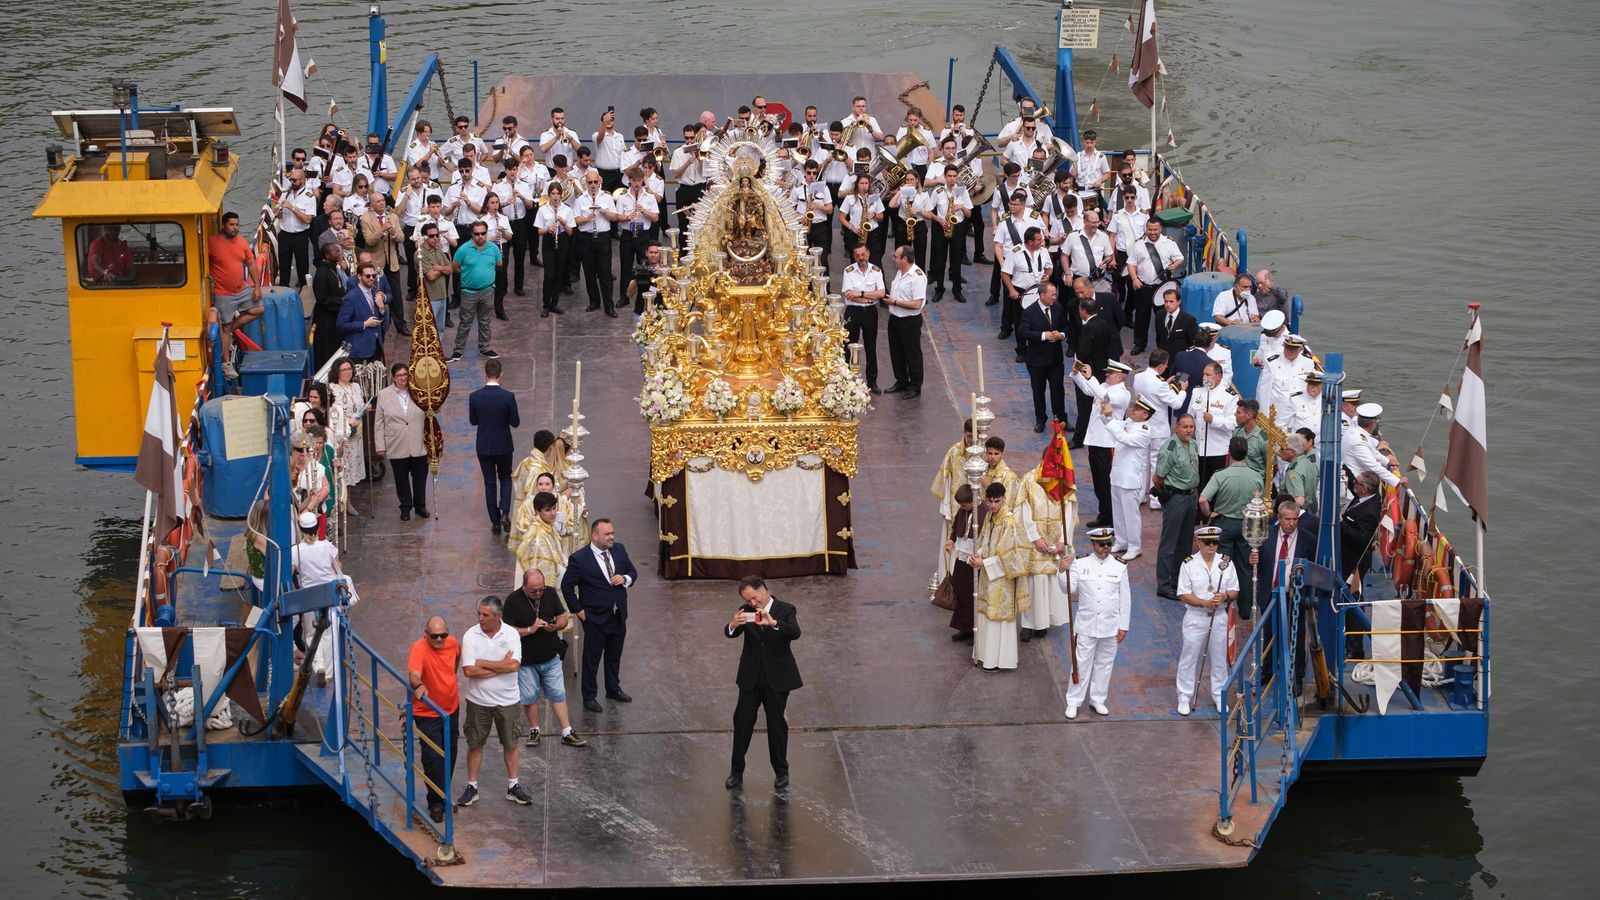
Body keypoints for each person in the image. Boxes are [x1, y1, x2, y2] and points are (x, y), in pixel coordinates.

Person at [723, 576, 803, 791]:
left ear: (764, 590)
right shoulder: (746, 610)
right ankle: (736, 773)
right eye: (748, 600)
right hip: (750, 677)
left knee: (777, 725)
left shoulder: (785, 609)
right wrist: (732, 624)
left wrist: (774, 623)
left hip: (776, 678)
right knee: (742, 723)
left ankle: (781, 773)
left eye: (754, 598)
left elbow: (795, 632)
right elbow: (731, 633)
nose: (752, 603)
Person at [456, 596, 532, 808]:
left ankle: (513, 786)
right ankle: (472, 786)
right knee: (475, 743)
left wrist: (484, 664)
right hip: (478, 702)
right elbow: (469, 671)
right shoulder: (471, 635)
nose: (480, 618)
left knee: (510, 743)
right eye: (479, 614)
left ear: (497, 616)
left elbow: (514, 667)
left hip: (508, 701)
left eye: (485, 615)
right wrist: (501, 665)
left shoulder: (511, 635)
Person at [503, 568, 587, 751]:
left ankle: (567, 731)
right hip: (526, 660)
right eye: (534, 591)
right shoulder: (513, 600)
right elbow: (507, 631)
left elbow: (563, 617)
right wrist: (529, 629)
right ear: (524, 586)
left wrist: (557, 625)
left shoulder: (549, 593)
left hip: (550, 655)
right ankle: (534, 730)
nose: (538, 593)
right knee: (530, 697)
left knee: (558, 693)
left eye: (541, 589)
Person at [560, 519, 638, 712]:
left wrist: (625, 578)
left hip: (618, 615)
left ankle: (613, 688)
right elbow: (567, 586)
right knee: (591, 659)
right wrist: (579, 611)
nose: (612, 537)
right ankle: (589, 696)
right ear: (595, 536)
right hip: (595, 618)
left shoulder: (619, 550)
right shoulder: (580, 558)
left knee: (614, 656)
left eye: (612, 532)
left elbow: (632, 572)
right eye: (607, 534)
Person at [1062, 527, 1131, 718]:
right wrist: (1062, 572)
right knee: (1080, 664)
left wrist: (1123, 626)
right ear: (1093, 544)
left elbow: (1125, 599)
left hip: (1110, 626)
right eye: (1102, 544)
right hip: (1086, 625)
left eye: (1109, 543)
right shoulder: (1080, 563)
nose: (1106, 547)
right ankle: (1073, 701)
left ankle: (1098, 699)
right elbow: (1068, 589)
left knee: (1104, 664)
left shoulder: (1120, 566)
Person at [1251, 500, 1317, 692]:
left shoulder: (1308, 540)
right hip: (1270, 594)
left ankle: (1296, 676)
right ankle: (1267, 673)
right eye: (1287, 519)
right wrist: (1252, 560)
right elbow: (1259, 562)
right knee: (1270, 634)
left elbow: (1312, 569)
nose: (1291, 523)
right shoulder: (1266, 535)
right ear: (1278, 518)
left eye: (1295, 519)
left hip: (1294, 597)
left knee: (1296, 635)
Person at [1175, 526, 1240, 715]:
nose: (1212, 546)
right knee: (1189, 657)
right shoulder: (1188, 564)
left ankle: (1219, 695)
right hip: (1196, 617)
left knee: (1220, 658)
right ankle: (1184, 696)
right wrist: (1203, 603)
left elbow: (1235, 589)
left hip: (1219, 616)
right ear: (1198, 542)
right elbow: (1183, 594)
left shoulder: (1226, 563)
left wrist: (1225, 597)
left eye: (1215, 542)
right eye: (1207, 542)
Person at [1015, 442, 1076, 639]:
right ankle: (1027, 624)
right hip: (1035, 541)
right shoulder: (1029, 480)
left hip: (1055, 539)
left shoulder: (1062, 482)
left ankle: (1043, 623)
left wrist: (1063, 540)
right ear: (1042, 460)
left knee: (1050, 581)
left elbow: (1068, 512)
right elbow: (1022, 512)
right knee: (1033, 583)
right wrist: (1035, 538)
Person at [967, 482, 1030, 671]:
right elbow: (985, 539)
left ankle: (998, 660)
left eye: (997, 501)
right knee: (986, 614)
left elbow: (1011, 557)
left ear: (1004, 499)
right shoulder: (991, 517)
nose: (993, 505)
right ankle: (985, 656)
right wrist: (978, 554)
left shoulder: (1009, 522)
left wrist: (984, 563)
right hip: (988, 575)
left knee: (997, 619)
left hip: (1002, 579)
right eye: (990, 501)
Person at [1199, 436, 1264, 618]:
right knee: (1245, 567)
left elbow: (1203, 499)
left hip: (1224, 524)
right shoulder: (1256, 476)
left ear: (1230, 452)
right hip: (1246, 525)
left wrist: (1208, 514)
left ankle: (1223, 607)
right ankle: (1245, 610)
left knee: (1223, 565)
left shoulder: (1221, 475)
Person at [407, 615, 460, 823]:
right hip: (427, 713)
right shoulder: (419, 648)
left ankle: (443, 795)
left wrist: (450, 680)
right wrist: (419, 685)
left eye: (443, 635)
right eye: (435, 636)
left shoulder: (453, 643)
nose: (439, 640)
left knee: (450, 753)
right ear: (426, 634)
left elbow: (455, 661)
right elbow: (414, 674)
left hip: (451, 709)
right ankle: (435, 803)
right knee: (432, 759)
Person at [1071, 358, 1132, 526]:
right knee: (1098, 482)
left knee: (1108, 483)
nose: (1107, 374)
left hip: (1108, 443)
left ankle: (1114, 518)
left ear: (1120, 377)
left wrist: (1090, 378)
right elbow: (1087, 389)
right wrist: (1077, 374)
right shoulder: (1105, 387)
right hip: (1096, 441)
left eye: (1111, 373)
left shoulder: (1122, 394)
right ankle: (1104, 514)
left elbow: (1101, 395)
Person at [207, 212, 263, 379]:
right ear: (223, 225)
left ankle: (229, 330)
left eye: (237, 225)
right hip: (223, 293)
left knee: (259, 309)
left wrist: (257, 286)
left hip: (242, 289)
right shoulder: (212, 242)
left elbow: (251, 262)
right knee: (224, 326)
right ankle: (226, 363)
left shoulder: (241, 241)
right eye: (231, 225)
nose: (235, 228)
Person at [290, 509, 343, 684]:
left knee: (312, 633)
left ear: (301, 530)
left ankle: (318, 664)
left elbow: (291, 572)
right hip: (328, 593)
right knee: (328, 632)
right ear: (317, 527)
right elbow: (337, 568)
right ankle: (328, 673)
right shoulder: (326, 546)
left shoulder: (296, 551)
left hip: (308, 596)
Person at [469, 357, 520, 534]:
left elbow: (473, 421)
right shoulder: (508, 397)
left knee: (489, 483)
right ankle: (505, 511)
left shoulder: (475, 397)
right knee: (505, 478)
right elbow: (515, 422)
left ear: (485, 375)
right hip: (504, 445)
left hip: (483, 445)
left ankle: (495, 522)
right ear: (501, 374)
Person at [1153, 414, 1201, 599]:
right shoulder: (1170, 448)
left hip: (1191, 497)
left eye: (1192, 427)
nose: (1189, 430)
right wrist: (1168, 496)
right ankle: (1164, 586)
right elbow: (1158, 478)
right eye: (1185, 427)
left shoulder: (1193, 444)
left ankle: (1179, 580)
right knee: (1170, 542)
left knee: (1185, 542)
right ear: (1176, 428)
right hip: (1176, 498)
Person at [1132, 350, 1187, 507]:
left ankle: (1141, 495)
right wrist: (1182, 389)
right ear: (1162, 365)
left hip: (1142, 426)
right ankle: (1155, 500)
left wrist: (1167, 385)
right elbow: (1176, 403)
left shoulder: (1138, 377)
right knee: (1157, 464)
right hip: (1158, 429)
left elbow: (1151, 395)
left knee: (1143, 463)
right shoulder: (1159, 383)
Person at [375, 362, 429, 520]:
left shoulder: (419, 390)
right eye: (399, 375)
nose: (403, 378)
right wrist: (380, 445)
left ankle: (420, 506)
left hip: (418, 442)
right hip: (396, 443)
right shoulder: (384, 395)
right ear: (393, 377)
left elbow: (433, 409)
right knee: (401, 478)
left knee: (420, 477)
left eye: (405, 374)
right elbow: (379, 422)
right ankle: (405, 507)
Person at [1105, 397, 1156, 560]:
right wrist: (1106, 415)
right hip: (1118, 474)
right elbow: (1114, 427)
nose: (1132, 410)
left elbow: (1123, 438)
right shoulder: (1129, 422)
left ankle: (1135, 546)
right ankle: (1121, 540)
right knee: (1118, 511)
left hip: (1131, 478)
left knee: (1131, 514)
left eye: (1137, 409)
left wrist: (1110, 418)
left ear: (1145, 415)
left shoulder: (1145, 430)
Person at [1072, 288, 1123, 447]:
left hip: (1089, 372)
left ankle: (1079, 438)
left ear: (1084, 311)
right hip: (1102, 370)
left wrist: (1077, 370)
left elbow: (1083, 352)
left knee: (1084, 405)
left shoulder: (1088, 328)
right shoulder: (1104, 323)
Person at [447, 221, 502, 363]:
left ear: (487, 232)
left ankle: (485, 348)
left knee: (485, 321)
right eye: (477, 234)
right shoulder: (463, 249)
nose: (480, 236)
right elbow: (455, 267)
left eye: (483, 233)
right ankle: (458, 351)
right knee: (465, 322)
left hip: (488, 290)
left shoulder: (493, 248)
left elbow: (499, 263)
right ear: (472, 234)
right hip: (468, 292)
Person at [1020, 281, 1069, 432]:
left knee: (1057, 389)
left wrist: (1060, 335)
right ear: (1042, 295)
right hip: (1037, 360)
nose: (1055, 297)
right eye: (1052, 295)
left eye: (1055, 294)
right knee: (1038, 390)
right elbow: (1024, 332)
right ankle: (1040, 419)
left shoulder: (1058, 308)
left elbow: (1065, 326)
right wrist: (1044, 335)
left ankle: (1061, 418)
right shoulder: (1029, 312)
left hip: (1055, 359)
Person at [1003, 226, 1055, 363]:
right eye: (1039, 239)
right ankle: (1021, 350)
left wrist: (1047, 276)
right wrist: (1011, 290)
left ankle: (1038, 347)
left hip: (1039, 291)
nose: (1042, 241)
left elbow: (1049, 267)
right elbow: (1005, 273)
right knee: (1020, 322)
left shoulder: (1043, 251)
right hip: (1021, 292)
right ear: (1029, 241)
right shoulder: (1015, 252)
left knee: (1041, 320)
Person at [840, 243, 886, 393]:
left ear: (868, 254)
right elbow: (848, 295)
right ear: (854, 256)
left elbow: (881, 293)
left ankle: (872, 382)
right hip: (853, 312)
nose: (861, 258)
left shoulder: (876, 271)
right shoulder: (849, 271)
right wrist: (868, 297)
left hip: (870, 313)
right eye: (858, 255)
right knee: (848, 345)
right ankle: (846, 380)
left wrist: (860, 294)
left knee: (870, 346)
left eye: (863, 254)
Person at [922, 166, 972, 302]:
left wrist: (961, 206)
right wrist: (939, 219)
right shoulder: (938, 191)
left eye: (954, 176)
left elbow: (969, 213)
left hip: (958, 227)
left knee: (956, 261)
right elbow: (929, 211)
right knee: (940, 260)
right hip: (941, 227)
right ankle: (939, 289)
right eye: (949, 176)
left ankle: (957, 291)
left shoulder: (963, 191)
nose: (952, 179)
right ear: (945, 176)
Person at [573, 172, 620, 316]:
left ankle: (609, 305)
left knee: (605, 273)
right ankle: (594, 301)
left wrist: (603, 211)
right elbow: (575, 220)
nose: (593, 185)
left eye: (595, 182)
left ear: (600, 181)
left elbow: (615, 217)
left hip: (603, 237)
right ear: (586, 183)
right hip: (586, 238)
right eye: (590, 182)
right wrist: (587, 219)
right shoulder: (580, 200)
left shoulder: (606, 197)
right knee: (589, 272)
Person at [883, 246, 927, 399]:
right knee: (896, 352)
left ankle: (915, 386)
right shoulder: (900, 271)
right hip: (895, 319)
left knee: (912, 353)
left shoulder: (917, 277)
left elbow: (916, 304)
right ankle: (901, 381)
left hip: (909, 321)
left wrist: (895, 302)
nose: (893, 259)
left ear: (905, 259)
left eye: (896, 257)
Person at [942, 483, 979, 642]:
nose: (963, 508)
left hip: (974, 557)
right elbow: (956, 526)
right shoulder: (963, 510)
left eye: (965, 505)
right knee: (960, 590)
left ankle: (975, 630)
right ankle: (964, 627)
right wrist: (951, 540)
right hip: (961, 555)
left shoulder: (981, 510)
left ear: (973, 501)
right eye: (961, 506)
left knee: (973, 594)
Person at [1192, 362, 1239, 486]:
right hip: (1198, 449)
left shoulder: (1229, 396)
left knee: (1216, 486)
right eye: (1204, 374)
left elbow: (1233, 423)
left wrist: (1214, 420)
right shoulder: (1197, 392)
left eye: (1208, 375)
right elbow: (1190, 416)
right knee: (1199, 485)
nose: (1205, 378)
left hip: (1218, 451)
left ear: (1218, 376)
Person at [328, 358, 367, 497]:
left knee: (353, 468)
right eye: (343, 369)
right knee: (344, 468)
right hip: (343, 434)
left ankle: (348, 499)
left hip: (357, 434)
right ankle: (344, 502)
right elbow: (332, 411)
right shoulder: (332, 388)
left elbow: (359, 406)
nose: (347, 372)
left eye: (349, 369)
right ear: (337, 371)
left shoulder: (356, 386)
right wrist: (348, 420)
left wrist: (366, 408)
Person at [338, 262, 388, 365]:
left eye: (373, 276)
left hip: (377, 346)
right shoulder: (351, 297)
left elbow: (382, 320)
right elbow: (341, 324)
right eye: (368, 276)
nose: (371, 278)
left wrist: (382, 308)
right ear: (359, 276)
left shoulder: (376, 293)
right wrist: (364, 324)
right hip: (360, 351)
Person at [1345, 402, 1403, 489]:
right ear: (1372, 424)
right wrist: (1397, 480)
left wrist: (1387, 461)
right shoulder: (1358, 441)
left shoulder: (1357, 432)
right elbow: (1373, 466)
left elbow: (1371, 451)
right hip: (1356, 485)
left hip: (1358, 479)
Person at [276, 166, 317, 287]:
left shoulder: (309, 197)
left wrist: (292, 208)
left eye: (295, 180)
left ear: (303, 180)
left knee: (302, 267)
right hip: (285, 235)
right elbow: (280, 215)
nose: (292, 182)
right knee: (284, 266)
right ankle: (284, 289)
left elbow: (307, 220)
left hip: (300, 236)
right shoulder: (285, 194)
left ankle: (303, 290)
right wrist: (278, 212)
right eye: (290, 180)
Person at [310, 244, 349, 370]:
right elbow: (322, 298)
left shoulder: (333, 269)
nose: (339, 252)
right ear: (327, 255)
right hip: (326, 319)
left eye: (339, 250)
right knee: (328, 348)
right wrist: (341, 300)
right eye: (335, 251)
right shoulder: (322, 273)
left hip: (336, 315)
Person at [1340, 472, 1383, 581]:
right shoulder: (1366, 496)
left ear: (1364, 489)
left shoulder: (1370, 512)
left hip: (1352, 561)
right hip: (1346, 553)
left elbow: (1362, 539)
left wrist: (1342, 522)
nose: (1353, 482)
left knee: (1350, 592)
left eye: (1356, 481)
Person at [1153, 283, 1199, 362]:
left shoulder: (1188, 319)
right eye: (1166, 301)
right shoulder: (1159, 315)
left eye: (1171, 301)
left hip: (1180, 359)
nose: (1168, 304)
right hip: (1163, 359)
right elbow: (1159, 336)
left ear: (1178, 302)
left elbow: (1192, 342)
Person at [1281, 430, 1320, 518]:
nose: (1280, 451)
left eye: (1282, 448)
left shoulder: (1294, 471)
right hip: (1308, 509)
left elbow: (1299, 501)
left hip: (1296, 515)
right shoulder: (1305, 461)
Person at [1232, 399, 1269, 476]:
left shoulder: (1263, 439)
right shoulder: (1237, 432)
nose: (1235, 414)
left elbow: (1272, 468)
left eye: (1238, 412)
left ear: (1249, 415)